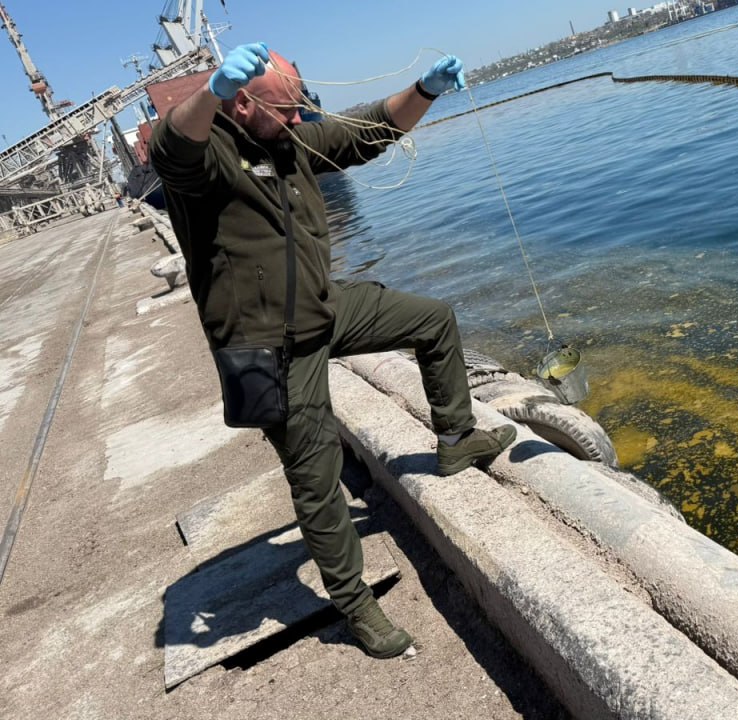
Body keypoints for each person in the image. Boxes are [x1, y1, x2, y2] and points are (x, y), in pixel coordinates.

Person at [149, 43, 516, 659]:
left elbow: (368, 130)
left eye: (300, 106)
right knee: (316, 479)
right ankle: (354, 602)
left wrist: (424, 90)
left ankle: (456, 439)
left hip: (323, 308)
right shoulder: (207, 156)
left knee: (433, 320)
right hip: (268, 347)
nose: (299, 119)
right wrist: (209, 92)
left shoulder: (290, 138)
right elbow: (169, 148)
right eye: (285, 109)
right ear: (243, 105)